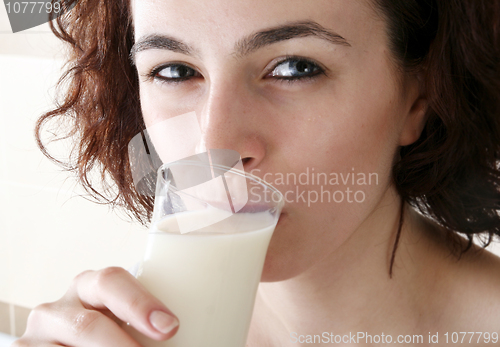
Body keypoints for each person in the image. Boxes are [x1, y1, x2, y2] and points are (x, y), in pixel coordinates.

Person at [15, 0, 500, 345]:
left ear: (419, 96)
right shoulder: (132, 332)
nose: (214, 146)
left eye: (293, 68)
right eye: (175, 72)